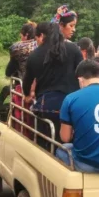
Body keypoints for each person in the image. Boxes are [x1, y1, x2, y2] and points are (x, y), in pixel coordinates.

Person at [23, 22, 83, 150]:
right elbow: (82, 74)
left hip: (48, 106)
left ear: (42, 35)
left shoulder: (35, 55)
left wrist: (28, 94)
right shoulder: (73, 49)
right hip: (73, 103)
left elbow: (27, 81)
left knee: (45, 141)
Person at [3, 21, 37, 132]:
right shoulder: (40, 46)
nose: (21, 38)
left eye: (21, 35)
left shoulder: (17, 48)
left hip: (25, 86)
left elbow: (9, 71)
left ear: (26, 35)